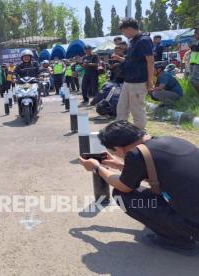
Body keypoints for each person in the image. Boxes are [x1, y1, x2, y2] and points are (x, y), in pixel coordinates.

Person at [79, 121, 199, 256]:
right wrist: (120, 165)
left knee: (121, 196)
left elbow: (123, 187)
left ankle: (179, 241)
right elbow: (157, 171)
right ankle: (177, 227)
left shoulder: (136, 154)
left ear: (117, 149)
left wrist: (96, 168)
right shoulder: (170, 140)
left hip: (193, 224)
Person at [114, 18, 154, 130]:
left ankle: (139, 135)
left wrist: (150, 81)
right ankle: (120, 131)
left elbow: (150, 61)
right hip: (128, 81)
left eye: (124, 31)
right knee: (121, 108)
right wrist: (120, 59)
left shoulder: (144, 40)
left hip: (138, 82)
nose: (123, 34)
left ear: (130, 29)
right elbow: (132, 61)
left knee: (137, 110)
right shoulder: (133, 41)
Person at [189, 23, 199, 96]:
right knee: (194, 80)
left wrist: (192, 44)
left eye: (196, 33)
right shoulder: (196, 41)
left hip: (197, 63)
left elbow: (196, 48)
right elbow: (193, 49)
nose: (195, 34)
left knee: (193, 80)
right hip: (193, 62)